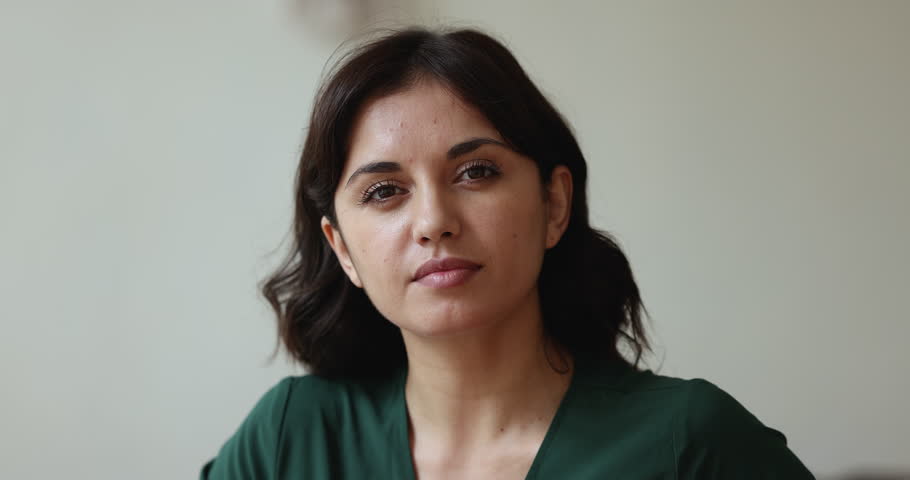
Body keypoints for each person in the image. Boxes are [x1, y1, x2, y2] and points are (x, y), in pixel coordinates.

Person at [200, 27, 814, 479]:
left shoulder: (689, 443)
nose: (434, 221)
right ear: (344, 251)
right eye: (385, 191)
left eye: (476, 172)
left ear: (554, 203)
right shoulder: (290, 441)